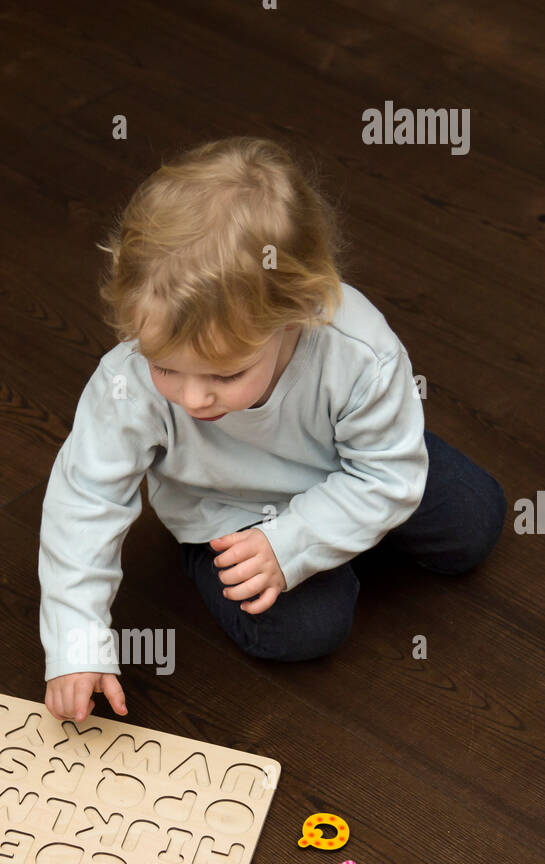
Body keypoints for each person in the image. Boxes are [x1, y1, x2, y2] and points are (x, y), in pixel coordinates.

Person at [39, 135, 506, 723]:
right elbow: (84, 500)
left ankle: (355, 523)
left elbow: (387, 475)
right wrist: (76, 640)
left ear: (298, 314)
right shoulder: (126, 382)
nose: (191, 397)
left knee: (475, 520)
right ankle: (242, 554)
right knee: (307, 629)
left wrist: (299, 541)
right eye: (164, 366)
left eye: (224, 373)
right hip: (229, 514)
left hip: (354, 471)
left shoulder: (358, 351)